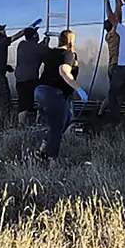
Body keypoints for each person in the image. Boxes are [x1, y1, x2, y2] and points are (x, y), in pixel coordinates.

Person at [34, 30, 88, 160]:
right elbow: (64, 72)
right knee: (57, 128)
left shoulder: (50, 53)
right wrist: (79, 89)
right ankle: (52, 161)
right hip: (54, 93)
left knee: (65, 121)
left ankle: (42, 150)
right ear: (70, 41)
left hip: (41, 90)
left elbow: (41, 70)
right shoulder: (67, 54)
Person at [0, 23, 29, 129]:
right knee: (5, 104)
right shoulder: (1, 42)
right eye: (2, 30)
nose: (5, 31)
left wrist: (5, 67)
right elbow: (16, 37)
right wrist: (27, 30)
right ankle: (1, 127)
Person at [98, 0, 125, 116]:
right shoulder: (115, 33)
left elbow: (115, 17)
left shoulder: (109, 36)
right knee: (117, 93)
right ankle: (109, 114)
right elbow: (115, 17)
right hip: (117, 67)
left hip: (112, 67)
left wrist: (118, 3)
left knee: (117, 92)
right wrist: (112, 0)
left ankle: (104, 113)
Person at [15, 27, 50, 126]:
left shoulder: (21, 45)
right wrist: (46, 43)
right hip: (31, 79)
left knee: (23, 103)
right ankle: (38, 122)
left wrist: (43, 44)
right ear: (35, 36)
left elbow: (34, 49)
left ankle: (21, 124)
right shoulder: (38, 48)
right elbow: (46, 53)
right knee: (41, 100)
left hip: (20, 79)